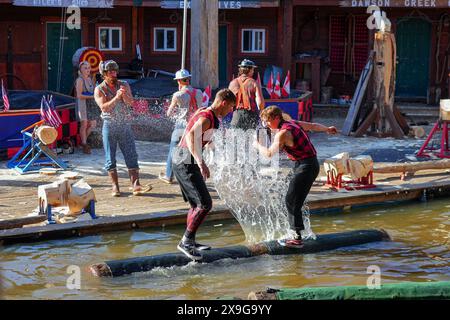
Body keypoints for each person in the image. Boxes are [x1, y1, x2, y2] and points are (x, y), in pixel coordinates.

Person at [253, 106, 337, 248]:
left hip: (306, 167)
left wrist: (257, 145)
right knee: (288, 196)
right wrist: (327, 128)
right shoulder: (292, 122)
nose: (266, 125)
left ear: (276, 118)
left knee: (291, 200)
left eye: (267, 121)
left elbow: (268, 154)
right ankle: (297, 231)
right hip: (304, 164)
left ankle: (297, 238)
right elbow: (312, 126)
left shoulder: (282, 133)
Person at [173, 88, 236, 260]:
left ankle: (190, 240)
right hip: (185, 160)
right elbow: (191, 136)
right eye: (230, 107)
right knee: (205, 203)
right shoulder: (207, 117)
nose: (230, 111)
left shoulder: (207, 113)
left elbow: (203, 139)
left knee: (196, 204)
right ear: (223, 103)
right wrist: (201, 162)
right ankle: (185, 242)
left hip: (183, 158)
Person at [94, 60, 152, 197]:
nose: (114, 74)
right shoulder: (99, 89)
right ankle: (115, 187)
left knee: (131, 154)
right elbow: (104, 107)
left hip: (124, 124)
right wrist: (117, 97)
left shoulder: (124, 84)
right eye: (111, 72)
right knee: (110, 157)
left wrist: (124, 95)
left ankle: (136, 185)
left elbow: (131, 103)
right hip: (109, 125)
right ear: (104, 74)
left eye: (115, 72)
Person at [159, 69, 203, 184]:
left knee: (174, 150)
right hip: (196, 124)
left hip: (182, 125)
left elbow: (169, 113)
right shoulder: (199, 92)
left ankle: (169, 175)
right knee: (193, 151)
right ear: (188, 79)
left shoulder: (178, 95)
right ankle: (194, 177)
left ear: (179, 81)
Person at [228, 59, 265, 130]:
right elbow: (260, 102)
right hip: (251, 115)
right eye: (253, 69)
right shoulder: (253, 82)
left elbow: (228, 101)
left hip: (237, 115)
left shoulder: (232, 83)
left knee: (236, 139)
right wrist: (261, 111)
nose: (253, 71)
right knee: (251, 139)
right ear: (250, 70)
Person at [75, 61, 101, 154]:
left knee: (93, 124)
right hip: (82, 103)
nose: (87, 70)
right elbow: (79, 95)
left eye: (89, 67)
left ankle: (82, 142)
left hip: (91, 103)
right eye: (85, 68)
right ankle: (85, 144)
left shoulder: (90, 79)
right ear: (81, 70)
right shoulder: (80, 80)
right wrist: (93, 96)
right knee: (84, 124)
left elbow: (93, 91)